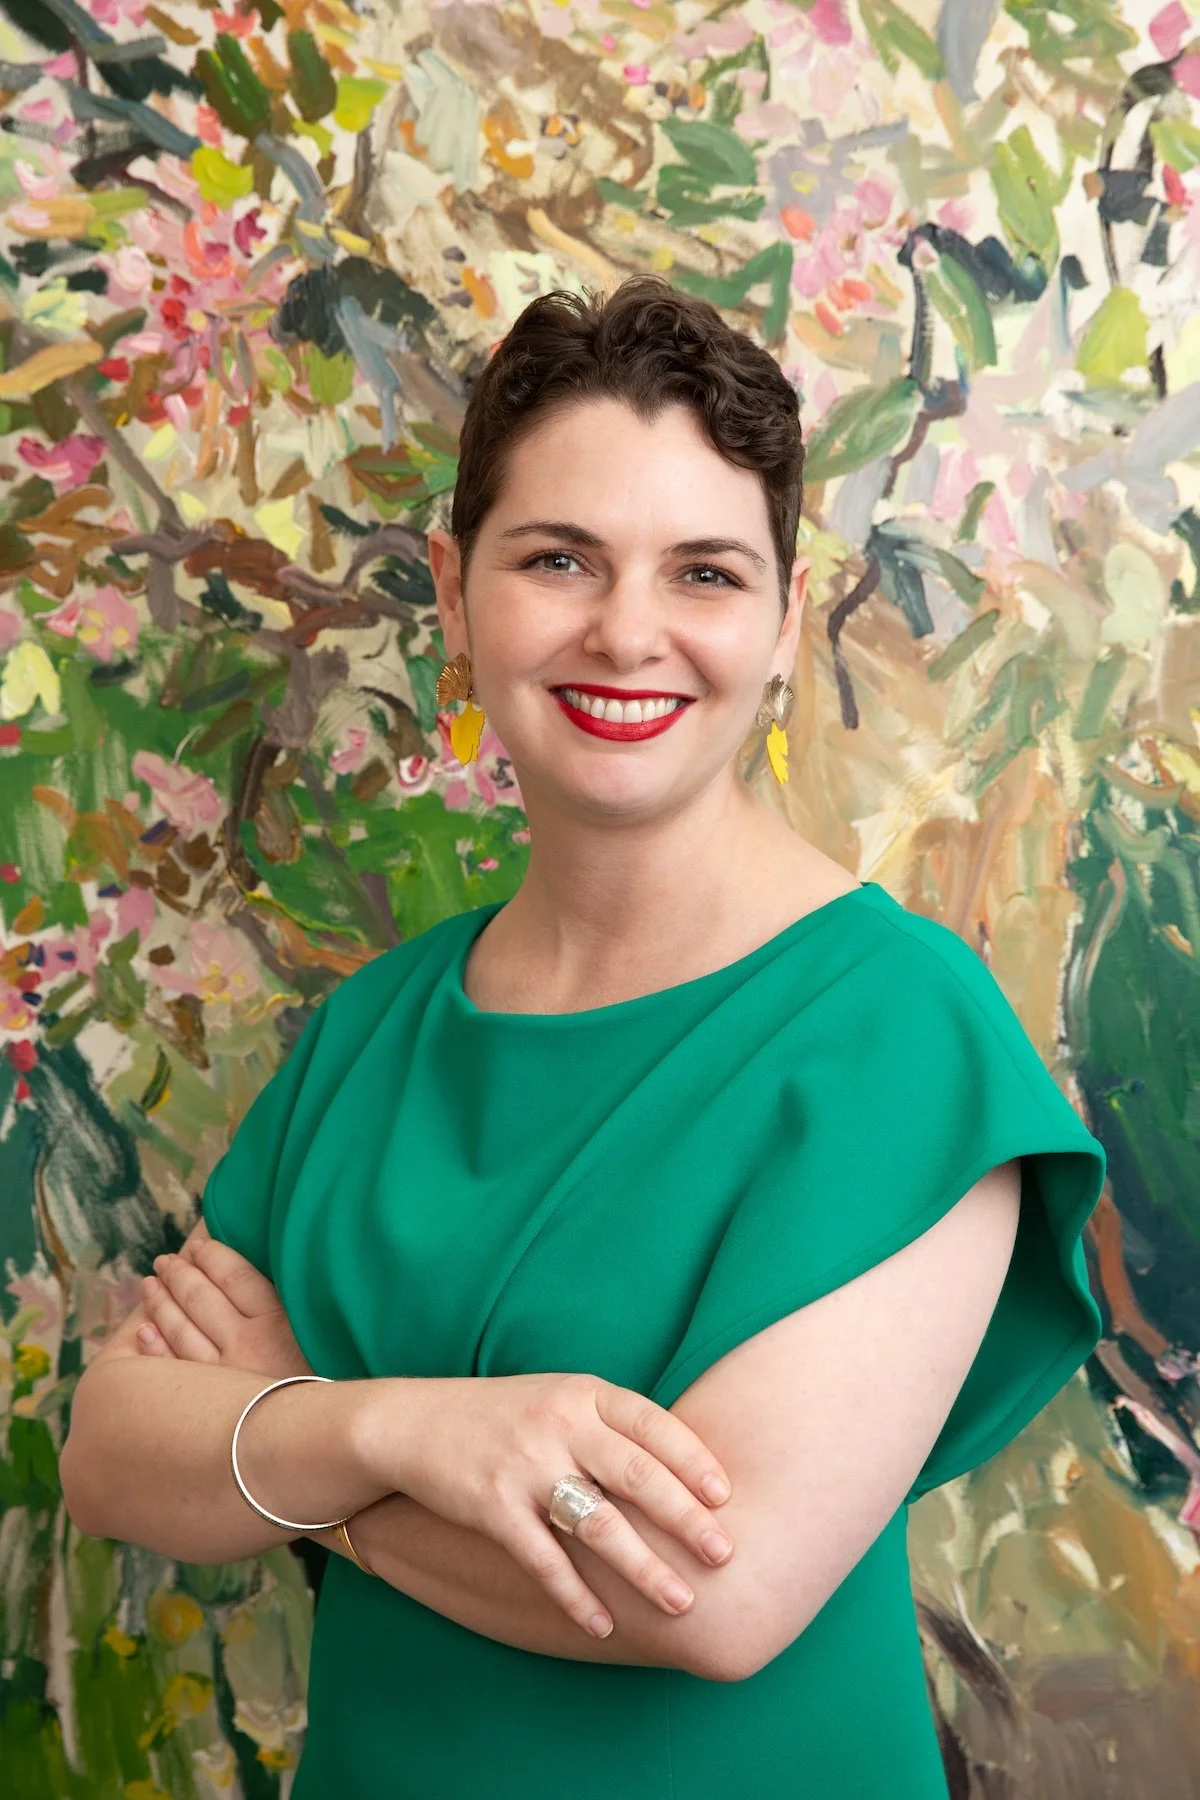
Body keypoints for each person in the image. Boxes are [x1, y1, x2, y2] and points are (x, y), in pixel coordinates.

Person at [61, 274, 1107, 1799]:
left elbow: (704, 1594)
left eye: (704, 573)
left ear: (783, 622)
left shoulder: (902, 1034)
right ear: (453, 587)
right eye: (559, 559)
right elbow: (112, 1452)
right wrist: (401, 1431)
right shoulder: (373, 1027)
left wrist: (299, 1450)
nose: (627, 633)